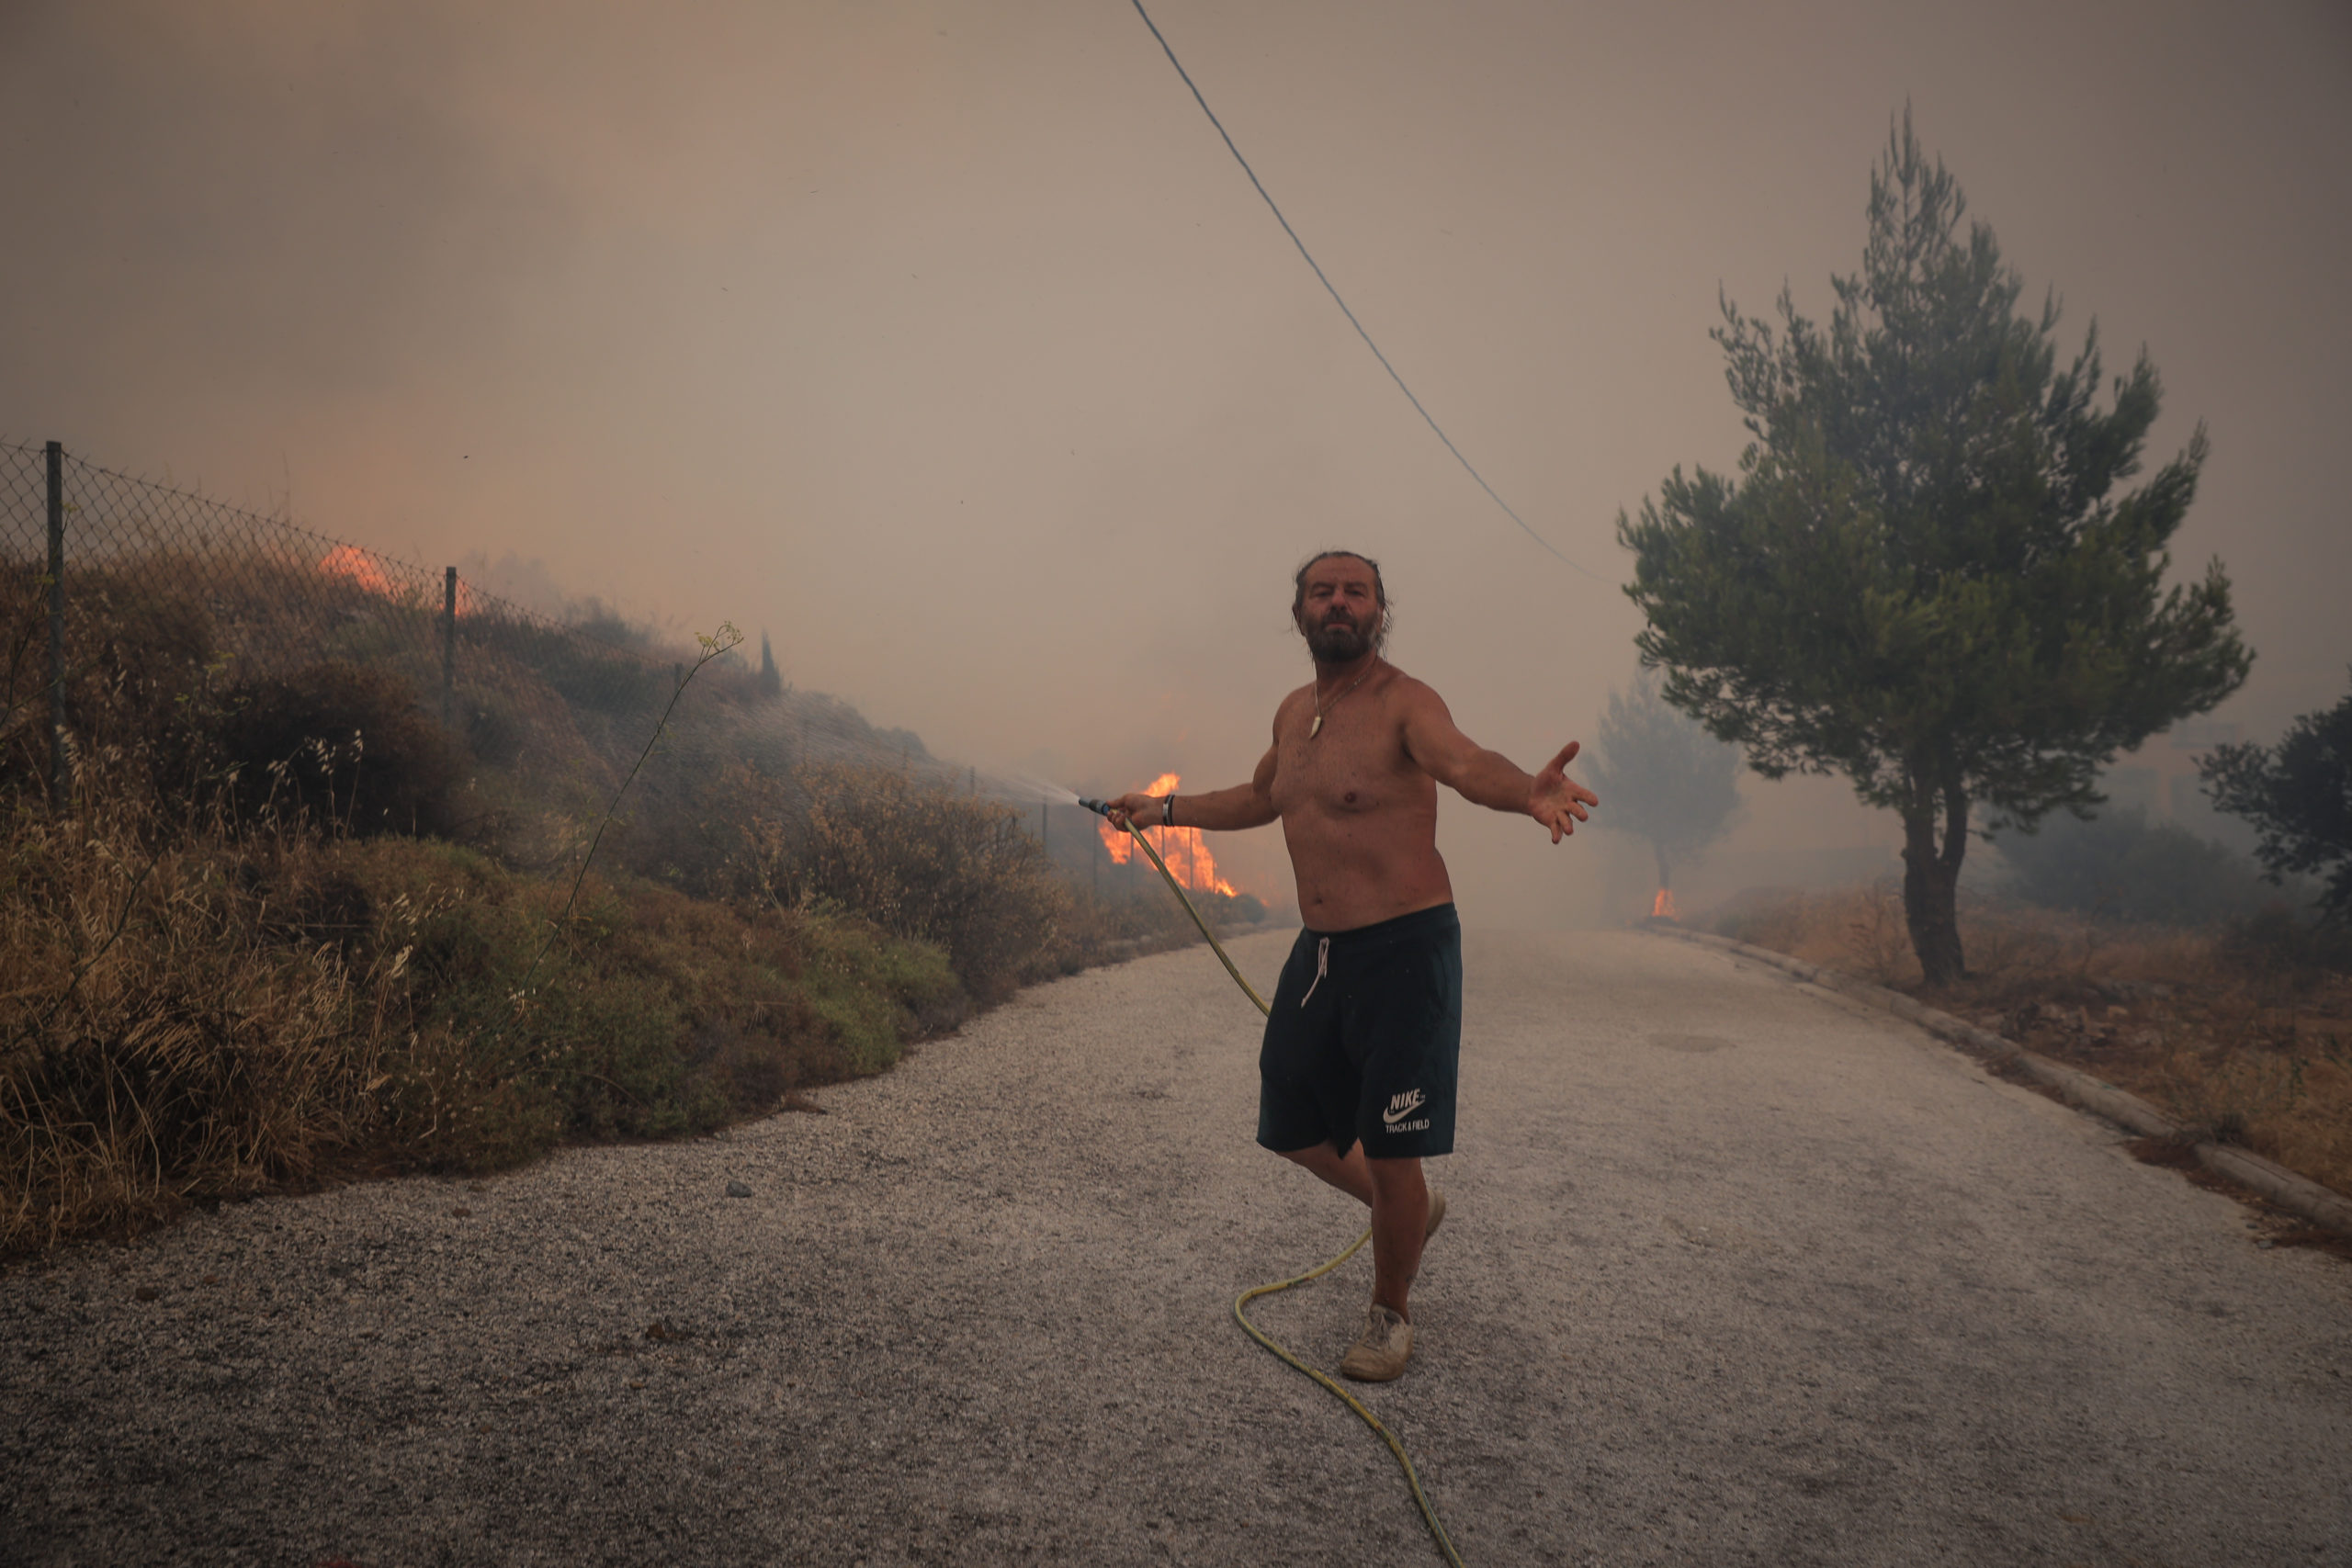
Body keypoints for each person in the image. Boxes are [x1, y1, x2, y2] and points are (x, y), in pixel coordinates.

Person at [1104, 549, 1597, 1381]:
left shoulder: (1407, 703)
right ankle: (1405, 1207)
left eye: (1355, 592)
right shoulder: (1294, 712)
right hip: (1322, 950)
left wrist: (1528, 793)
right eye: (1323, 591)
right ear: (1299, 612)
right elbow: (1264, 798)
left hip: (1406, 950)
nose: (1339, 603)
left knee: (1393, 1142)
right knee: (1292, 1118)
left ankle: (1390, 1312)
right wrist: (1166, 809)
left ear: (1379, 611)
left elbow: (1469, 765)